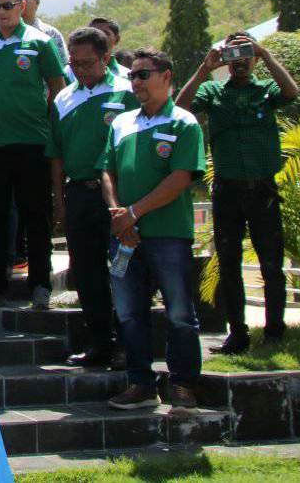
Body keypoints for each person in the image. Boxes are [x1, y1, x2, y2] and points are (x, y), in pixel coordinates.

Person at [176, 31, 300, 355]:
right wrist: (204, 69)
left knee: (271, 263)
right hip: (227, 191)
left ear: (254, 57)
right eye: (235, 53)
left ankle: (275, 332)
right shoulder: (214, 91)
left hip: (263, 189)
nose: (241, 60)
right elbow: (180, 107)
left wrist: (267, 55)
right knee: (229, 264)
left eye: (247, 53)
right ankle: (238, 333)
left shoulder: (266, 90)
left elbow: (291, 91)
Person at [101, 48, 204, 413]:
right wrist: (118, 214)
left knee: (178, 310)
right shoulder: (121, 122)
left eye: (144, 75)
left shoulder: (184, 123)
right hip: (125, 235)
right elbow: (107, 171)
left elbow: (180, 178)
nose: (136, 82)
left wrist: (133, 213)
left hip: (167, 233)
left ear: (167, 77)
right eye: (132, 76)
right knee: (129, 311)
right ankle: (140, 383)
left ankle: (183, 383)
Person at [0, 0, 66, 309]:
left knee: (36, 215)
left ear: (22, 5)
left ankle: (40, 284)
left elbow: (57, 89)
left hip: (33, 142)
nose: (1, 12)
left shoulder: (40, 42)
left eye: (7, 5)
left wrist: (38, 123)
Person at [46, 28, 135, 368]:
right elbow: (55, 152)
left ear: (106, 58)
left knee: (124, 270)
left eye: (88, 63)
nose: (81, 70)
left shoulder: (127, 92)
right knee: (86, 272)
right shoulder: (64, 98)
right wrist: (59, 198)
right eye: (74, 63)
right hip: (78, 192)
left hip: (118, 197)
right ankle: (100, 342)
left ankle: (130, 344)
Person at [20, 0, 67, 65]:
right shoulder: (6, 35)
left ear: (37, 1)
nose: (20, 1)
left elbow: (64, 66)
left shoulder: (51, 34)